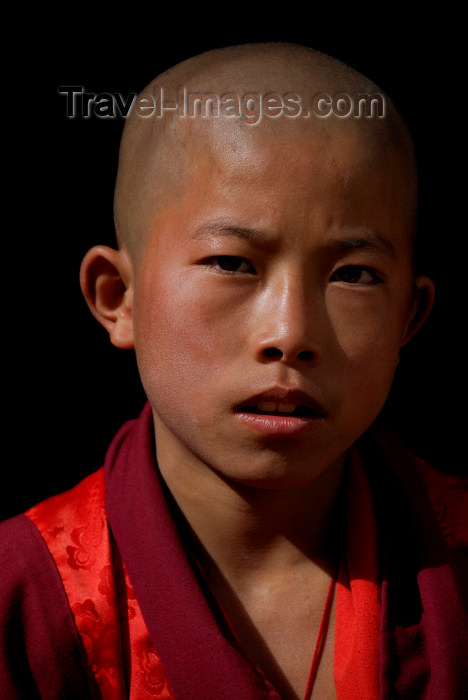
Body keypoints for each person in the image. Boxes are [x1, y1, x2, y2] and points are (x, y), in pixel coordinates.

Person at [0, 42, 466, 700]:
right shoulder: (26, 597)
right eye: (232, 263)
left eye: (353, 275)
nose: (291, 335)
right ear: (117, 297)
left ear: (408, 320)